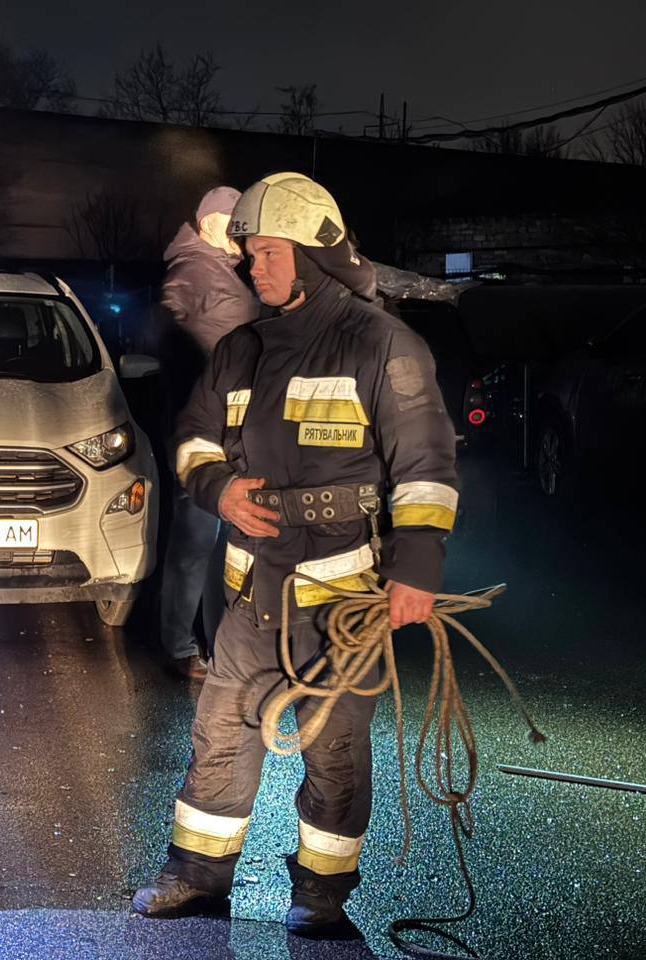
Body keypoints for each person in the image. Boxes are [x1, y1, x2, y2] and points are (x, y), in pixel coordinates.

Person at [132, 173, 458, 936]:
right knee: (220, 735)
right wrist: (217, 489)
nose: (254, 268)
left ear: (314, 254)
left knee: (335, 749)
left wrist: (416, 568)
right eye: (249, 255)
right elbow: (193, 439)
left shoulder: (383, 343)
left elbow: (426, 464)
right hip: (252, 591)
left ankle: (322, 894)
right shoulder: (240, 348)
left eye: (269, 253)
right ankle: (196, 877)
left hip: (343, 595)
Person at [157, 186, 259, 680]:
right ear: (207, 223)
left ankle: (216, 646)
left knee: (218, 544)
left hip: (224, 431)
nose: (240, 228)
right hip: (202, 435)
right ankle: (181, 645)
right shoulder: (193, 273)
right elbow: (216, 348)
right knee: (197, 542)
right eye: (231, 219)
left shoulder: (218, 270)